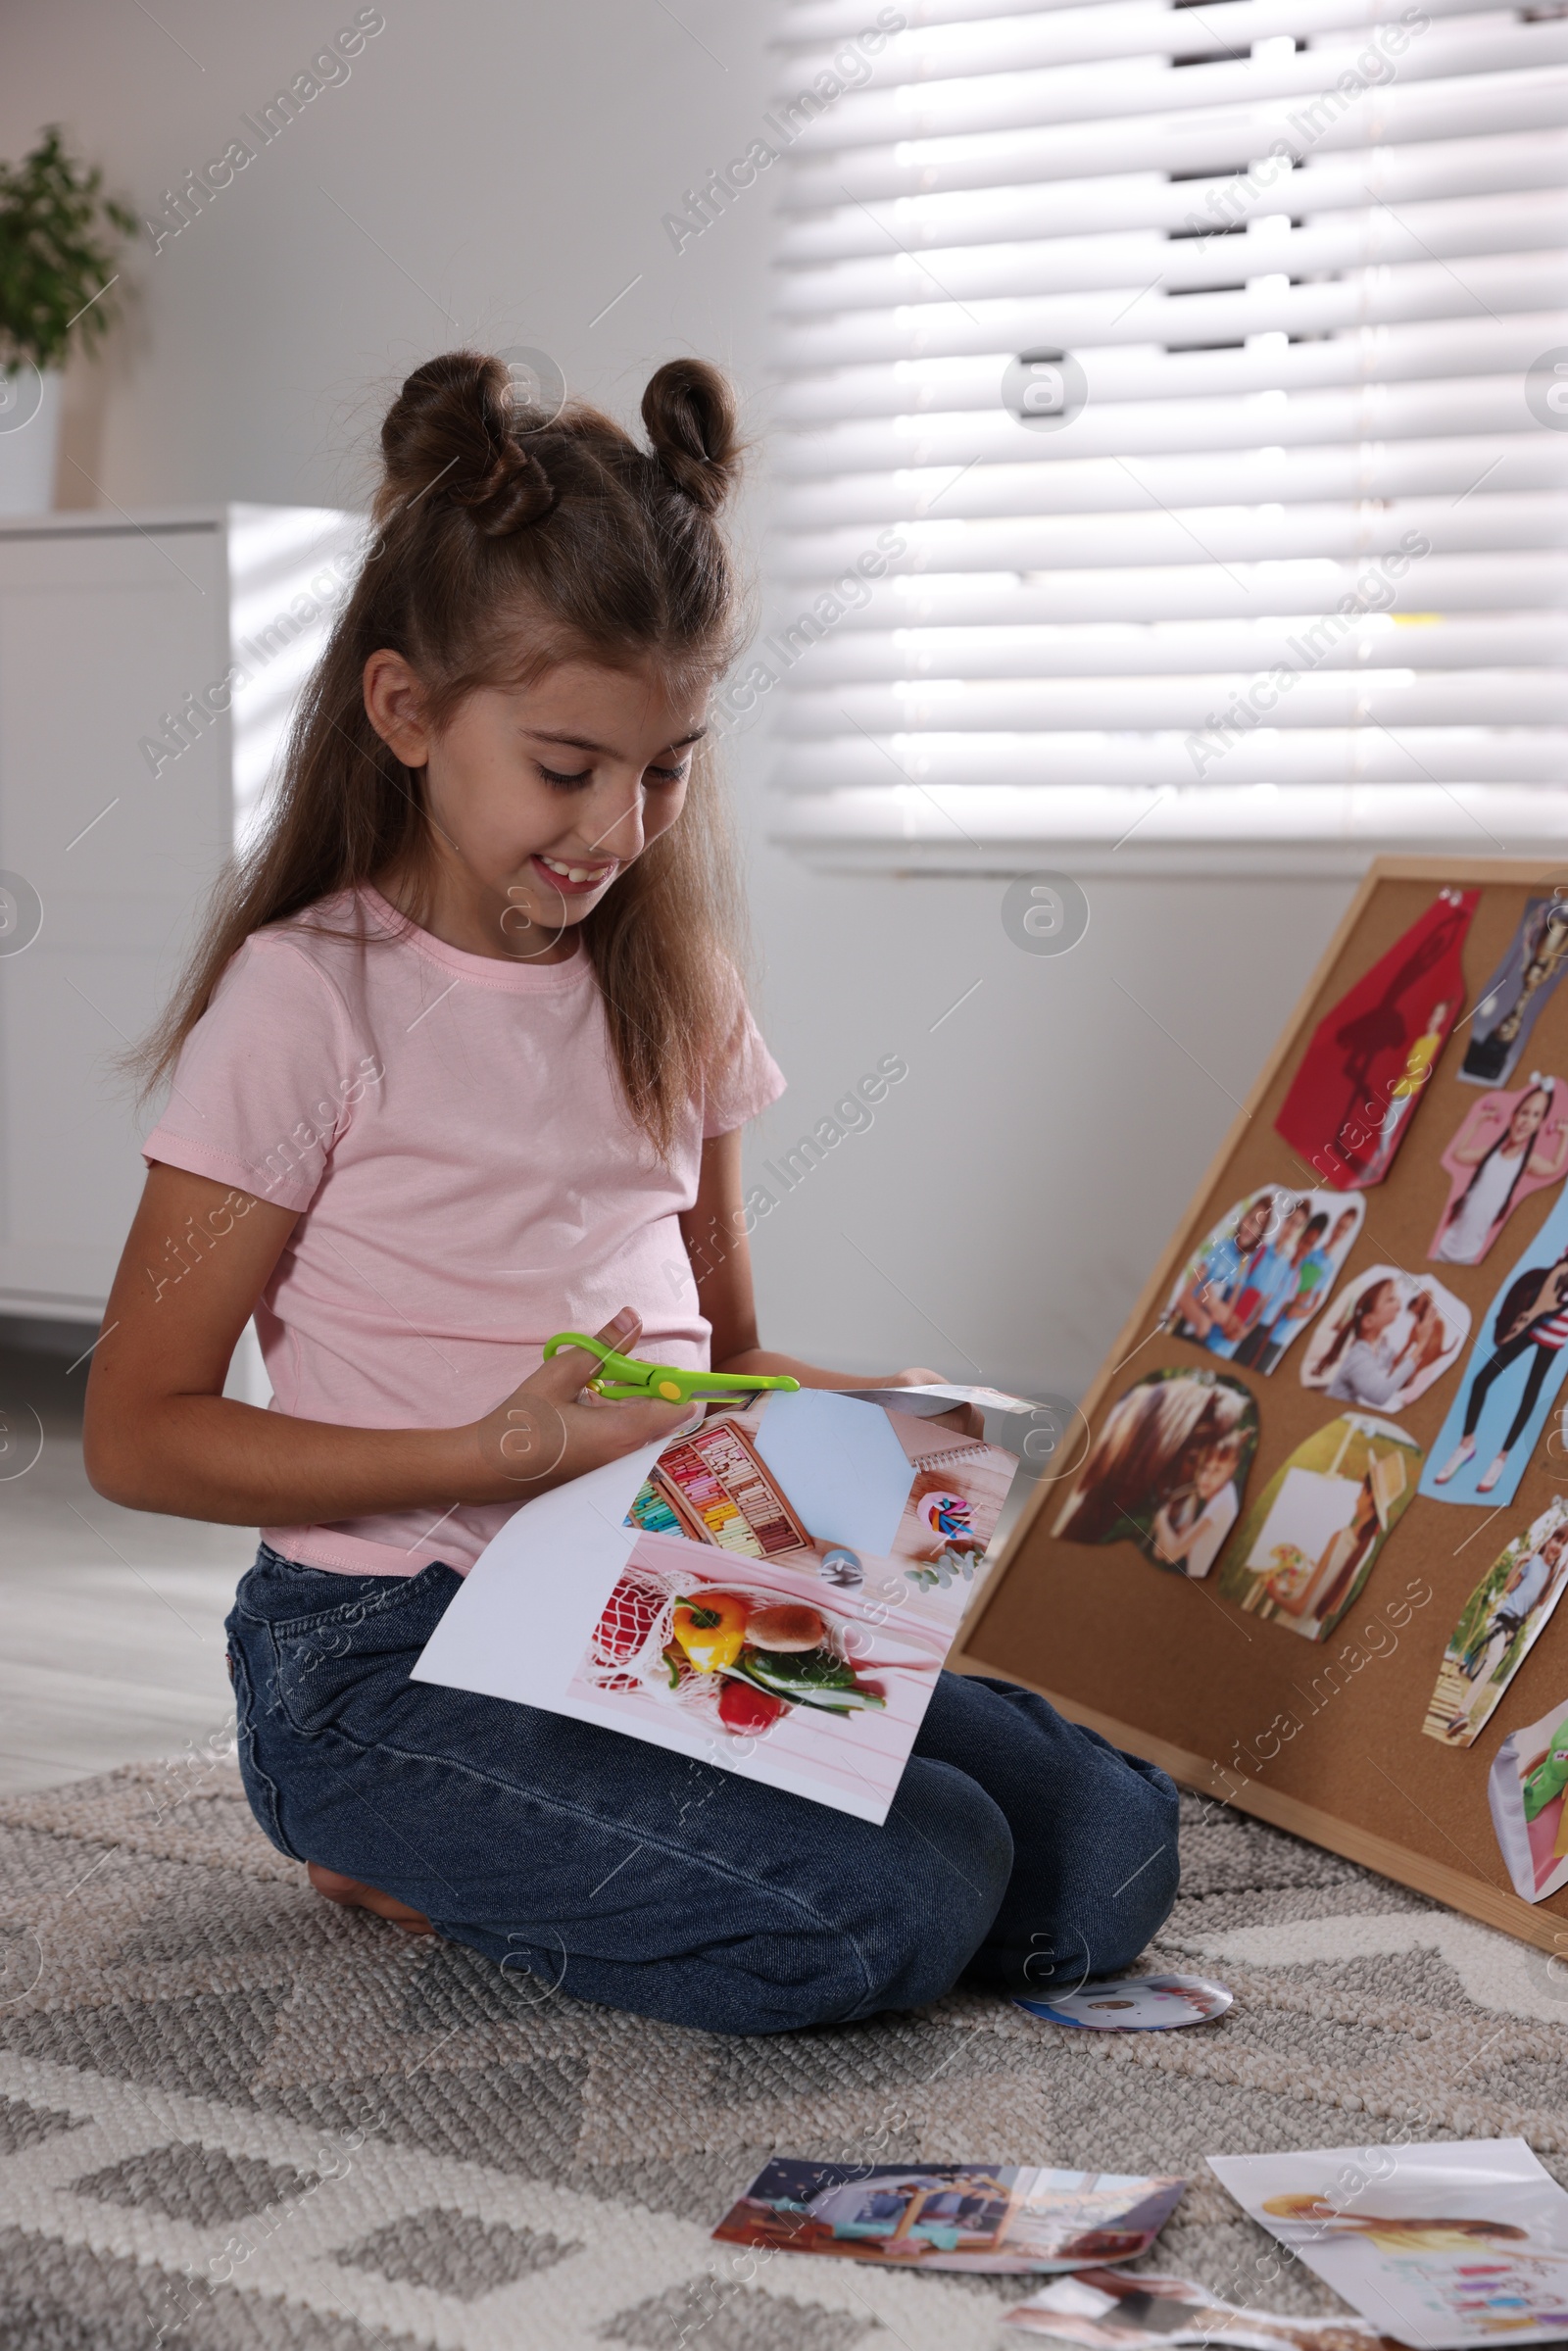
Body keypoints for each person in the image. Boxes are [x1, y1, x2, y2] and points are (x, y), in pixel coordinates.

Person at [80, 351, 1178, 2035]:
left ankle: (618, 1830)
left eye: (665, 768)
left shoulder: (675, 981)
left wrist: (904, 1421)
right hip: (385, 1649)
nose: (618, 827)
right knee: (901, 1895)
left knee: (1109, 1849)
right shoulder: (311, 1005)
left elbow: (719, 1352)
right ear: (405, 712)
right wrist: (492, 1452)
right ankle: (396, 1844)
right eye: (568, 763)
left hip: (654, 1598)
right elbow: (137, 1430)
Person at [1435, 1250, 1568, 1493]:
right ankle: (1466, 1442)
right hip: (1529, 1320)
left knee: (1532, 1390)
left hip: (1557, 1331)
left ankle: (1502, 1458)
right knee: (1482, 1379)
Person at [1433, 1080, 1568, 1266]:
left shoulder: (1526, 1162)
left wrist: (1565, 1135)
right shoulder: (1488, 1153)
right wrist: (1478, 1121)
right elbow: (1458, 1154)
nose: (1526, 1120)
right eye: (1524, 1112)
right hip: (1446, 1244)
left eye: (1535, 1115)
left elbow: (1554, 1167)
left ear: (1539, 1124)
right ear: (1513, 1116)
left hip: (1472, 1253)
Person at [1149, 1427, 1244, 1579]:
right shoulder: (1215, 1494)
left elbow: (1171, 1555)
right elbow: (1162, 1552)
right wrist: (1189, 1507)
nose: (1206, 1478)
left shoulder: (1222, 1502)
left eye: (1217, 1470)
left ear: (1231, 1468)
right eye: (1204, 1469)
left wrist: (1161, 1520)